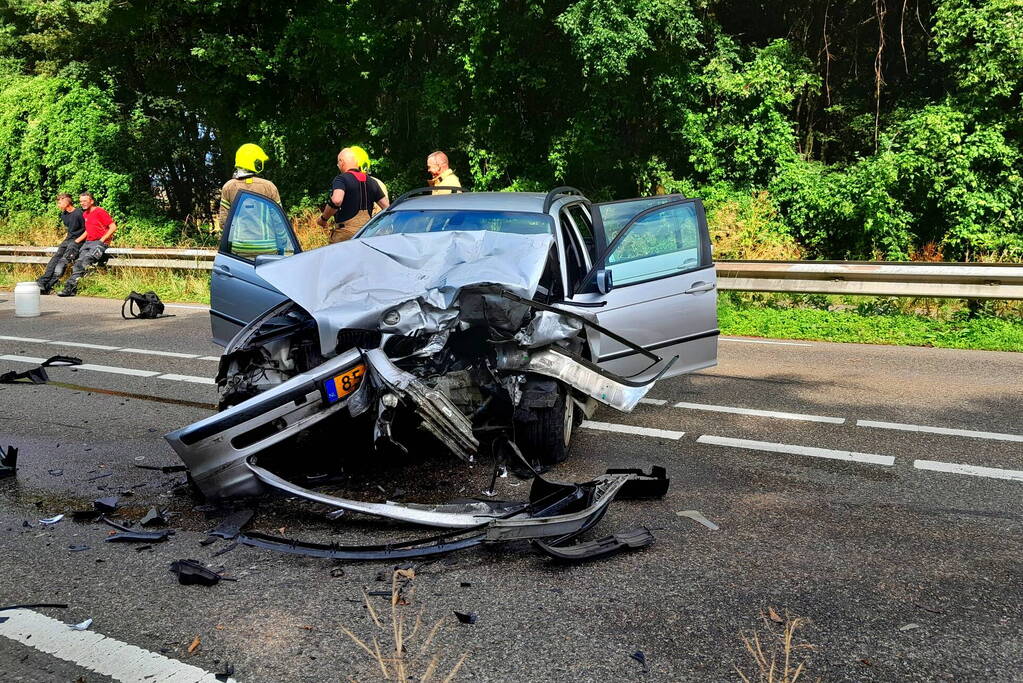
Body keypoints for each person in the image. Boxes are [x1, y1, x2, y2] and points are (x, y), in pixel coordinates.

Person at [316, 147, 390, 243]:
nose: (338, 166)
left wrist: (323, 219)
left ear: (341, 162)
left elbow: (337, 200)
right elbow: (387, 207)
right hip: (366, 235)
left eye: (338, 163)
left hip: (345, 236)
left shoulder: (341, 179)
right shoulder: (371, 181)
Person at [58, 192, 117, 297]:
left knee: (86, 260)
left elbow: (113, 227)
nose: (82, 203)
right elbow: (88, 231)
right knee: (78, 263)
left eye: (85, 201)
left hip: (100, 243)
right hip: (88, 243)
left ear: (92, 201)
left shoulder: (100, 211)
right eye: (81, 201)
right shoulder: (85, 214)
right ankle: (73, 288)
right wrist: (77, 241)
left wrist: (102, 240)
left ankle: (69, 287)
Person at [218, 143, 281, 228]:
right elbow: (278, 220)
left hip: (239, 241)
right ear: (254, 163)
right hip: (268, 240)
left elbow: (223, 221)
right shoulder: (269, 186)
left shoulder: (228, 187)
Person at [37, 193, 86, 294]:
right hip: (68, 240)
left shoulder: (79, 213)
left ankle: (49, 285)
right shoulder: (63, 215)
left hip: (78, 241)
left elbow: (88, 230)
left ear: (66, 201)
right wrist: (66, 241)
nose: (58, 205)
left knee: (62, 262)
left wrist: (77, 241)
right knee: (55, 259)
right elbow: (70, 230)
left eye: (60, 202)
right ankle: (42, 282)